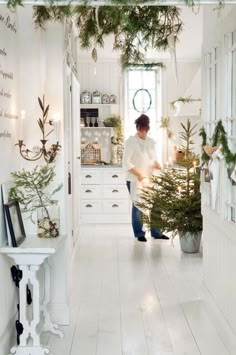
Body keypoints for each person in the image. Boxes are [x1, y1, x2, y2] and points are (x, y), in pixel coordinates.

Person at [122, 114, 169, 242]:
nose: (143, 133)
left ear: (148, 129)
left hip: (150, 178)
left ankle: (157, 232)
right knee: (138, 205)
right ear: (137, 128)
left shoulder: (151, 142)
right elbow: (126, 162)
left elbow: (152, 159)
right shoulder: (131, 142)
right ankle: (139, 233)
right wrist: (139, 175)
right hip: (135, 178)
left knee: (156, 204)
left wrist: (156, 164)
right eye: (141, 130)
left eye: (145, 131)